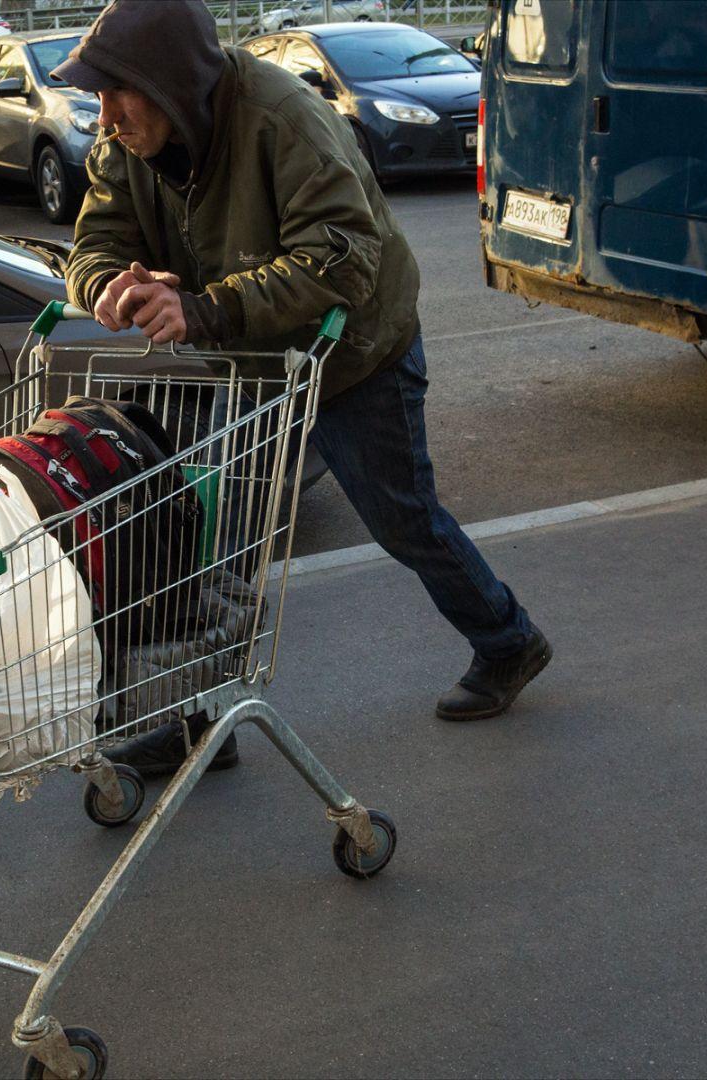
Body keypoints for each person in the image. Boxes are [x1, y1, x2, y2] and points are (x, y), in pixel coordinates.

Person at [54, 0, 551, 778]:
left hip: (351, 354)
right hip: (251, 361)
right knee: (214, 537)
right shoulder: (130, 141)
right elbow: (96, 237)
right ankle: (197, 716)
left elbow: (342, 257)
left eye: (120, 92)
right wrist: (106, 282)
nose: (105, 114)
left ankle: (508, 640)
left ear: (174, 83)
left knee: (403, 520)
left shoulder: (282, 119)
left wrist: (205, 306)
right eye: (99, 95)